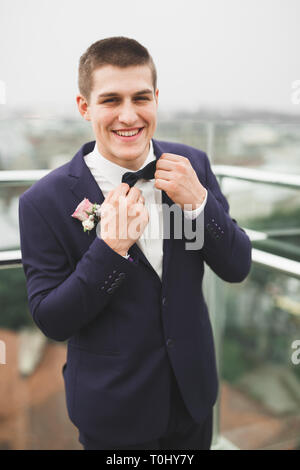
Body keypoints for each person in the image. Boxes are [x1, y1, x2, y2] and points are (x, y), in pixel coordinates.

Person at [18, 36, 252, 450]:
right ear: (84, 106)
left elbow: (237, 267)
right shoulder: (43, 202)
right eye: (111, 100)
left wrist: (200, 203)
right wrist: (109, 249)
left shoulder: (192, 164)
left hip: (194, 399)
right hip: (112, 413)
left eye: (141, 97)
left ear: (156, 99)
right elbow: (52, 320)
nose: (129, 115)